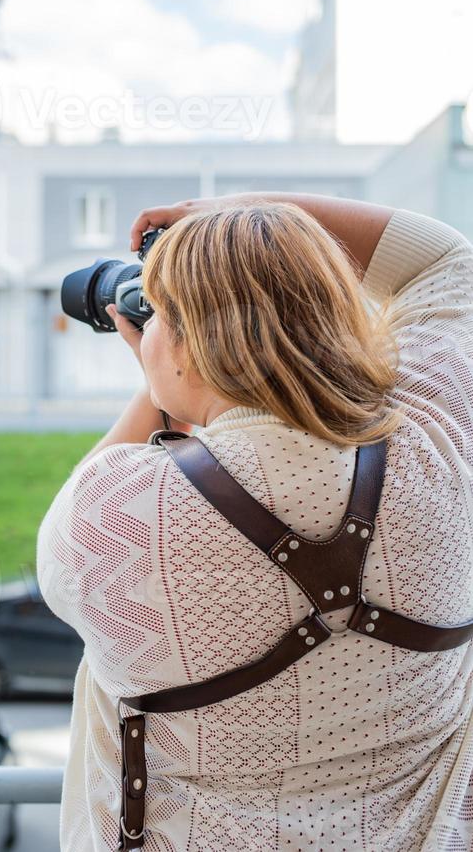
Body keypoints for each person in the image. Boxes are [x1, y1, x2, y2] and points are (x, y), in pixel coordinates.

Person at [36, 192, 473, 852]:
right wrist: (227, 214)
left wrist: (164, 387)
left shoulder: (115, 512)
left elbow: (64, 540)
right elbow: (445, 259)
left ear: (186, 343)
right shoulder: (440, 430)